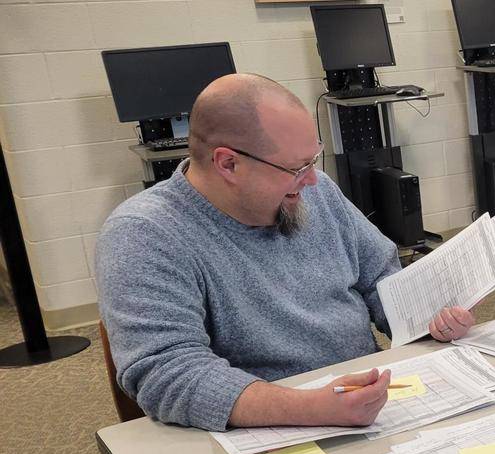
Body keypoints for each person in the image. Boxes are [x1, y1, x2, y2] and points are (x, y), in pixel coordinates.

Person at [96, 74, 475, 433]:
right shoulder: (146, 233)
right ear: (228, 163)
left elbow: (381, 275)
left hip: (364, 400)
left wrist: (430, 317)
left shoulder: (315, 190)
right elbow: (169, 371)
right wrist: (311, 408)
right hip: (267, 428)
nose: (311, 179)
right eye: (296, 167)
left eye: (313, 159)